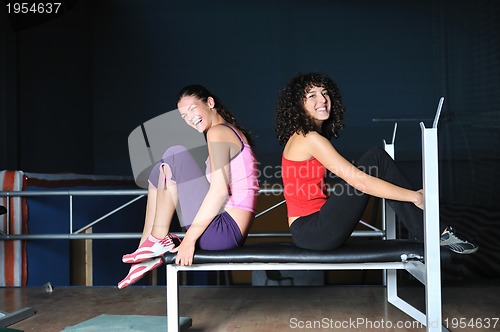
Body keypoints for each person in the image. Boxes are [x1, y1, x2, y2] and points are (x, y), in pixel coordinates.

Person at [274, 72, 478, 254]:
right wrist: (414, 196)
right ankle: (432, 231)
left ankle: (430, 231)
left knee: (376, 160)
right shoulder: (310, 138)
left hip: (311, 229)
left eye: (325, 93)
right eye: (312, 96)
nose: (322, 100)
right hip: (313, 231)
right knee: (376, 158)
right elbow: (359, 181)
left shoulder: (304, 136)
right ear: (298, 105)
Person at [118, 84, 259, 289]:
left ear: (210, 103)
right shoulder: (221, 133)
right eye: (184, 116)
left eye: (192, 109)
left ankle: (157, 241)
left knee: (174, 154)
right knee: (159, 171)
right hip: (218, 230)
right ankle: (145, 250)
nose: (189, 118)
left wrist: (188, 241)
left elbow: (219, 192)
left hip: (224, 232)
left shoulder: (219, 132)